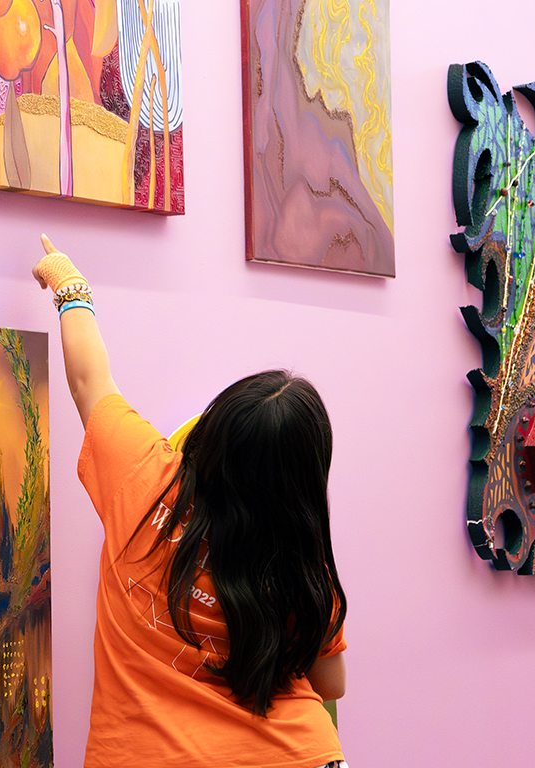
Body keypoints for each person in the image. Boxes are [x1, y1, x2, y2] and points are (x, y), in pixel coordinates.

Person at [33, 235, 349, 768]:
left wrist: (69, 283)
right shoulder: (302, 559)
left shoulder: (143, 476)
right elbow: (330, 683)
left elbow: (90, 380)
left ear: (210, 434)